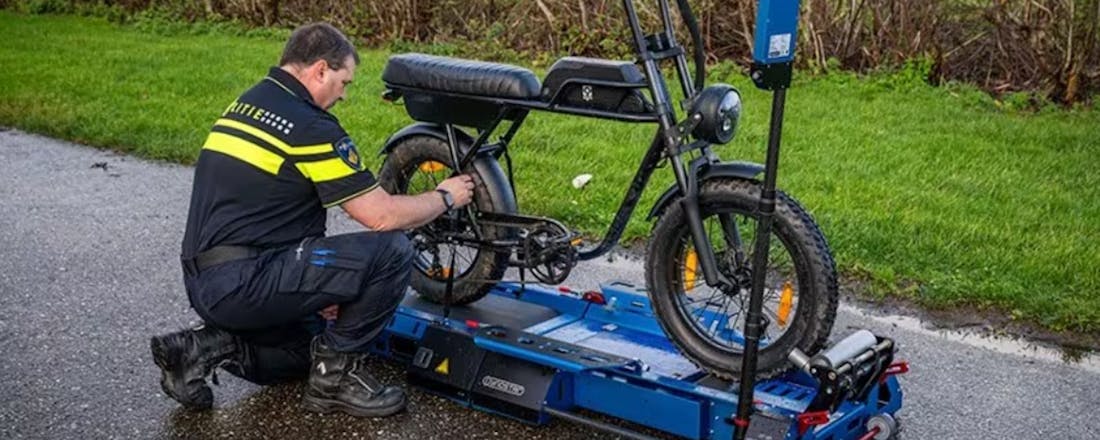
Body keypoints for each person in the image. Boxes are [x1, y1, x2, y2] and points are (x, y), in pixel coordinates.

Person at [149, 22, 474, 418]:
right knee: (392, 250)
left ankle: (199, 349)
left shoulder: (249, 103)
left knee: (308, 346)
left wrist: (319, 289)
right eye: (343, 82)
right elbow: (382, 215)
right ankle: (335, 382)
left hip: (207, 282)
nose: (343, 95)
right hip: (247, 280)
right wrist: (445, 197)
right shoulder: (309, 126)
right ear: (320, 69)